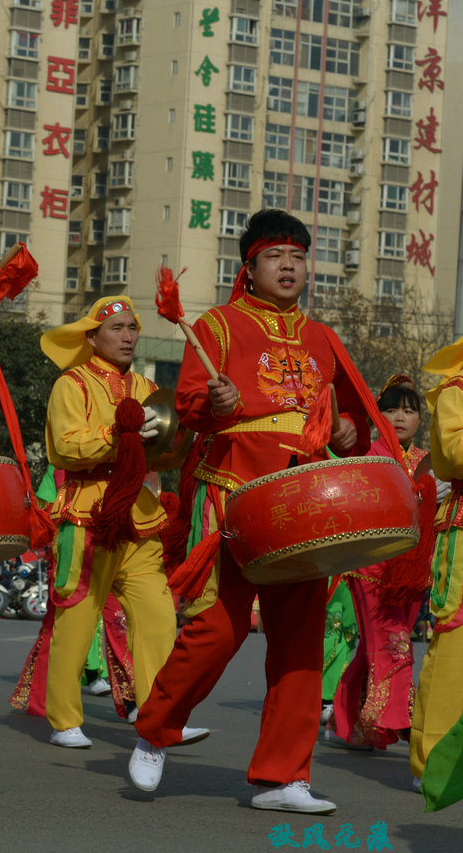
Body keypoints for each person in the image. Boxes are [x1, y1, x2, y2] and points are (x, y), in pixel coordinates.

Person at [127, 209, 372, 815]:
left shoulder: (322, 338)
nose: (288, 266)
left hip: (306, 502)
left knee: (299, 639)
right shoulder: (219, 326)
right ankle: (156, 727)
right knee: (219, 628)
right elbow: (186, 407)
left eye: (297, 255)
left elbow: (356, 421)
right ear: (249, 268)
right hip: (235, 493)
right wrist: (217, 402)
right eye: (274, 256)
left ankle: (283, 776)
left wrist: (346, 432)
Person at [34, 296, 206, 750]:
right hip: (87, 513)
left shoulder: (148, 386)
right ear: (92, 337)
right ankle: (65, 719)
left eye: (133, 327)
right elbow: (67, 448)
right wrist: (122, 435)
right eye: (117, 328)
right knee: (77, 617)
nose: (129, 336)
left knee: (157, 616)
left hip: (140, 515)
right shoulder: (71, 384)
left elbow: (167, 448)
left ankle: (162, 714)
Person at [328, 376, 429, 752]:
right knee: (393, 644)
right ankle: (403, 722)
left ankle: (345, 720)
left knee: (375, 648)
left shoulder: (424, 462)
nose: (400, 417)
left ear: (420, 419)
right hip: (373, 568)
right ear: (376, 414)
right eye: (390, 409)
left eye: (409, 410)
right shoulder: (369, 456)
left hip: (413, 571)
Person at [413, 349, 463, 791]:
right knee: (453, 646)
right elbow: (454, 452)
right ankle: (434, 761)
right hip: (462, 536)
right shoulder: (456, 390)